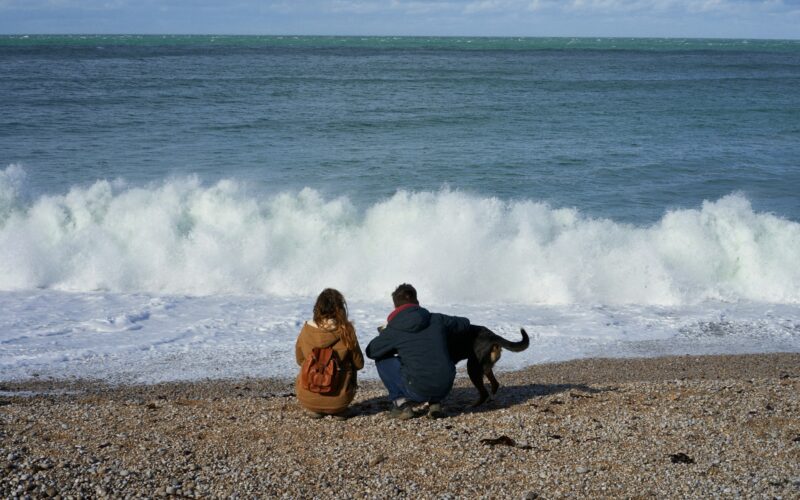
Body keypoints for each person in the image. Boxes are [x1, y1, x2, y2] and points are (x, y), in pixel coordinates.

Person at [366, 283, 470, 419]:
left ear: (396, 306)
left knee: (382, 359)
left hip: (417, 390)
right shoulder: (437, 319)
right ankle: (435, 404)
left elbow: (371, 351)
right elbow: (465, 323)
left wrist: (385, 335)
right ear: (417, 302)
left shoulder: (394, 328)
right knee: (431, 350)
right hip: (445, 387)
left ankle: (401, 405)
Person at [295, 288, 364, 420]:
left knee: (306, 363)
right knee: (350, 364)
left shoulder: (306, 329)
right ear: (341, 308)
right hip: (340, 402)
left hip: (307, 399)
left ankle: (316, 406)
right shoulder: (346, 330)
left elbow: (299, 360)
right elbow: (359, 364)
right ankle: (336, 407)